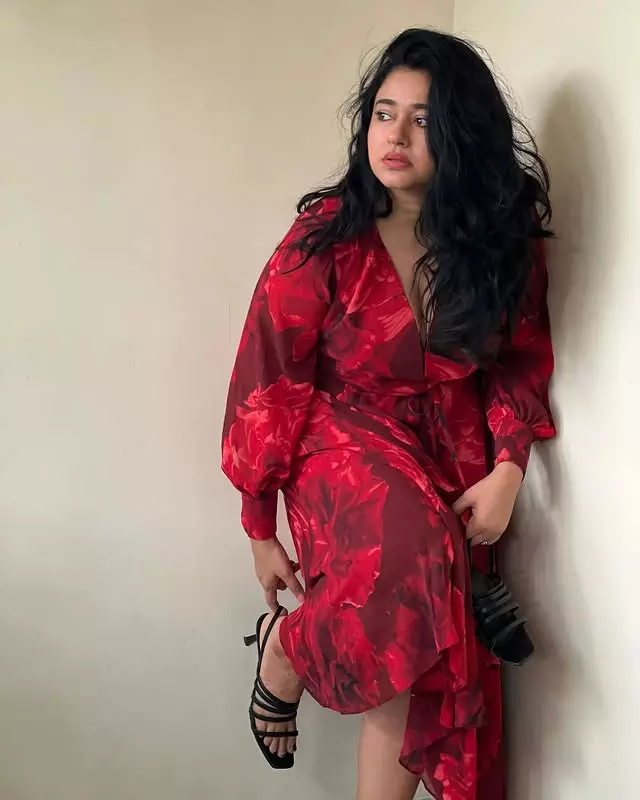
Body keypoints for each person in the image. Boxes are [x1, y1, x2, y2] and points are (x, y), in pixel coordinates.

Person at [221, 27, 556, 800]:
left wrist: (509, 468)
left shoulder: (498, 245)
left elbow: (518, 360)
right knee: (415, 548)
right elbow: (266, 378)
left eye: (423, 119)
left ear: (463, 133)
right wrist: (258, 524)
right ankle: (288, 649)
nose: (395, 136)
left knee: (421, 645)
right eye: (383, 112)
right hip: (338, 437)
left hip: (448, 441)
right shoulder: (325, 238)